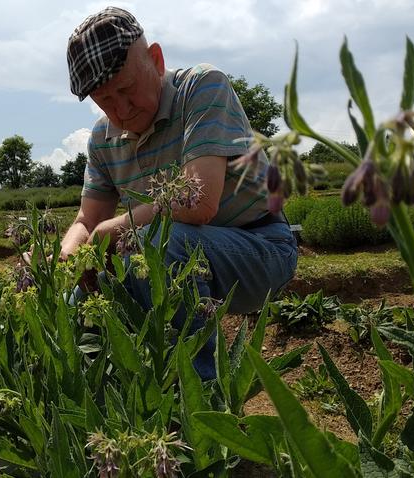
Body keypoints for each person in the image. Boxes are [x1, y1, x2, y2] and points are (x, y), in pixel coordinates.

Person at [63, 6, 297, 379]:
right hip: (177, 246)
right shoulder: (101, 138)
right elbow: (86, 220)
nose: (121, 110)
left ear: (156, 59)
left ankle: (200, 401)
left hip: (260, 247)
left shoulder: (203, 88)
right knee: (77, 294)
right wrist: (69, 254)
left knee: (156, 244)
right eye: (105, 101)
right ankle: (102, 394)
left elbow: (198, 201)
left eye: (126, 89)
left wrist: (115, 229)